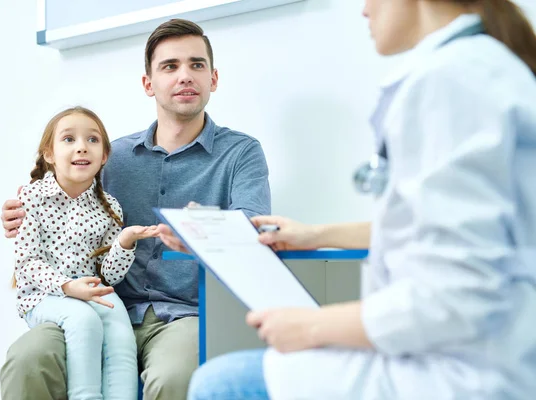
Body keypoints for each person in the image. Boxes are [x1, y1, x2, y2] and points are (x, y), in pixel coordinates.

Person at [161, 1, 536, 399]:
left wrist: (312, 325)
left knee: (221, 384)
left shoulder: (450, 82)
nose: (363, 11)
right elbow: (441, 231)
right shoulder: (482, 69)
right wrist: (317, 233)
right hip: (478, 350)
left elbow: (458, 293)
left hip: (461, 374)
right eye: (170, 66)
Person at [0, 19, 271, 400]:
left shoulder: (241, 153)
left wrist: (201, 234)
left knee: (175, 377)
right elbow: (60, 197)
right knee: (27, 359)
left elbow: (253, 231)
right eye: (169, 66)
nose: (185, 76)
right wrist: (19, 211)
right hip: (98, 307)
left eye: (196, 65)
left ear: (213, 78)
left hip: (186, 315)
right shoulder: (112, 156)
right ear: (148, 84)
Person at [14, 106, 158, 399]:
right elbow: (27, 263)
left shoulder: (109, 207)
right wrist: (67, 287)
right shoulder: (31, 198)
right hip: (45, 295)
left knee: (120, 335)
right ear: (49, 154)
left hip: (92, 291)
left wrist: (125, 242)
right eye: (69, 139)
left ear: (104, 156)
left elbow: (109, 274)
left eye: (92, 140)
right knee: (83, 320)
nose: (82, 147)